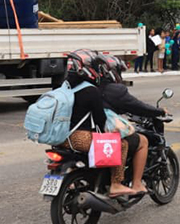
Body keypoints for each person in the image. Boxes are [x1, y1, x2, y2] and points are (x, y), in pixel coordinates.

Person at [63, 52, 138, 197]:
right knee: (121, 144)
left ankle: (73, 177)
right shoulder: (91, 91)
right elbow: (100, 120)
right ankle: (116, 184)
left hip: (60, 137)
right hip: (78, 138)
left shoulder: (64, 88)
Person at [96, 55, 163, 196]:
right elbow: (136, 105)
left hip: (90, 132)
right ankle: (137, 183)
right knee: (143, 141)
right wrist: (159, 111)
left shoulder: (90, 87)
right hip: (105, 135)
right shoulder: (114, 90)